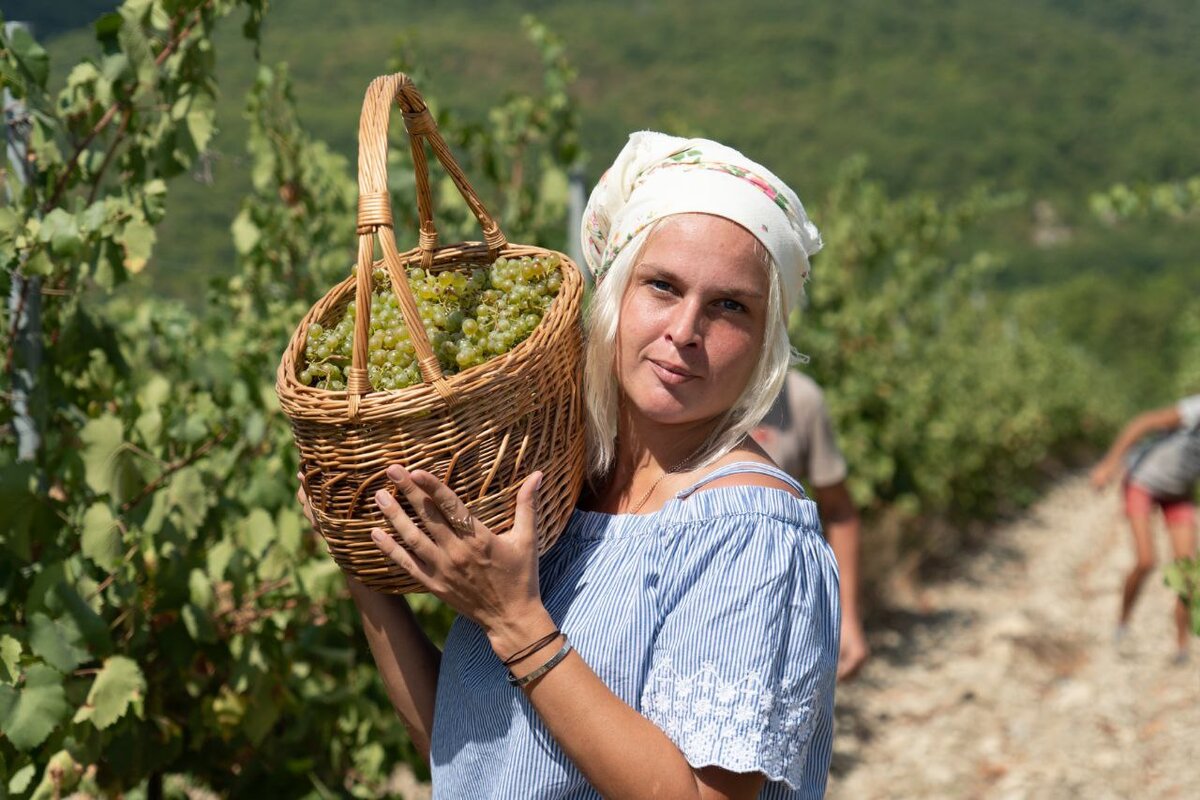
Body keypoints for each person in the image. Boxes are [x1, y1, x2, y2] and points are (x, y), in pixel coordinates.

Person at [299, 131, 839, 798]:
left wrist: (517, 622)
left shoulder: (750, 534)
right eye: (662, 286)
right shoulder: (551, 495)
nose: (685, 331)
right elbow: (466, 755)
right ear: (614, 292)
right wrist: (366, 560)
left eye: (730, 306)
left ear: (766, 341)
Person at [752, 371, 868, 681]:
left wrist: (847, 618)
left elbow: (838, 509)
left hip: (777, 618)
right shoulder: (682, 380)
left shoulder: (801, 398)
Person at [1090, 393, 1200, 662]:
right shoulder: (1195, 409)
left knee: (1187, 573)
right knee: (1146, 561)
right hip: (1144, 481)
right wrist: (1109, 463)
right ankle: (1122, 623)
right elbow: (1143, 423)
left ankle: (1181, 646)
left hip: (1177, 493)